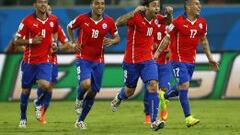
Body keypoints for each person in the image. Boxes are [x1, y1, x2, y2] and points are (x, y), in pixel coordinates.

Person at [154, 0, 219, 127]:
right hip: (177, 60)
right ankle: (188, 117)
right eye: (196, 4)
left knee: (181, 87)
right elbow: (167, 38)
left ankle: (164, 95)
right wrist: (157, 53)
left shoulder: (202, 23)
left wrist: (210, 58)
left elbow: (204, 41)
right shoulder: (177, 22)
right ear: (188, 6)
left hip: (191, 62)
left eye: (199, 4)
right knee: (184, 85)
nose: (199, 6)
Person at [110, 0, 172, 131]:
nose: (157, 8)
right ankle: (119, 97)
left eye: (158, 5)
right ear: (146, 7)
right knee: (129, 91)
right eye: (154, 5)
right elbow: (118, 22)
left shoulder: (157, 18)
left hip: (148, 60)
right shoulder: (136, 17)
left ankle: (154, 121)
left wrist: (170, 14)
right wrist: (133, 12)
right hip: (131, 61)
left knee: (153, 85)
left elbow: (167, 22)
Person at [67, 0, 120, 129]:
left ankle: (80, 121)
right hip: (83, 58)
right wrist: (73, 42)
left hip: (99, 60)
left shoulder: (109, 21)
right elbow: (69, 27)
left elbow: (117, 38)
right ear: (91, 5)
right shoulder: (82, 18)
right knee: (86, 84)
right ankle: (79, 98)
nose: (100, 6)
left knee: (93, 91)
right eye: (97, 3)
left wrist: (112, 41)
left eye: (102, 3)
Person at [14, 0, 59, 128]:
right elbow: (17, 41)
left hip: (45, 60)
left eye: (45, 2)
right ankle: (23, 117)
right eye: (40, 2)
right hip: (29, 61)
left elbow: (55, 32)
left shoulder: (53, 20)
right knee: (26, 91)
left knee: (46, 85)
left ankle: (38, 103)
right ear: (35, 5)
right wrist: (31, 41)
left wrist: (54, 43)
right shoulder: (27, 20)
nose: (43, 4)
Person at [33, 4, 71, 124]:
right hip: (39, 60)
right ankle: (39, 104)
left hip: (52, 60)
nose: (48, 12)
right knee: (45, 85)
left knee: (49, 87)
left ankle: (41, 113)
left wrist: (57, 47)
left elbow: (66, 44)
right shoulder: (34, 25)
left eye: (50, 10)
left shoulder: (57, 28)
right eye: (46, 9)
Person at [144, 21, 172, 124]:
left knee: (164, 88)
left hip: (165, 62)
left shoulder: (169, 25)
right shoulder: (148, 24)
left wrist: (170, 50)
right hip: (151, 62)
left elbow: (174, 38)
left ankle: (163, 105)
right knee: (150, 89)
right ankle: (148, 114)